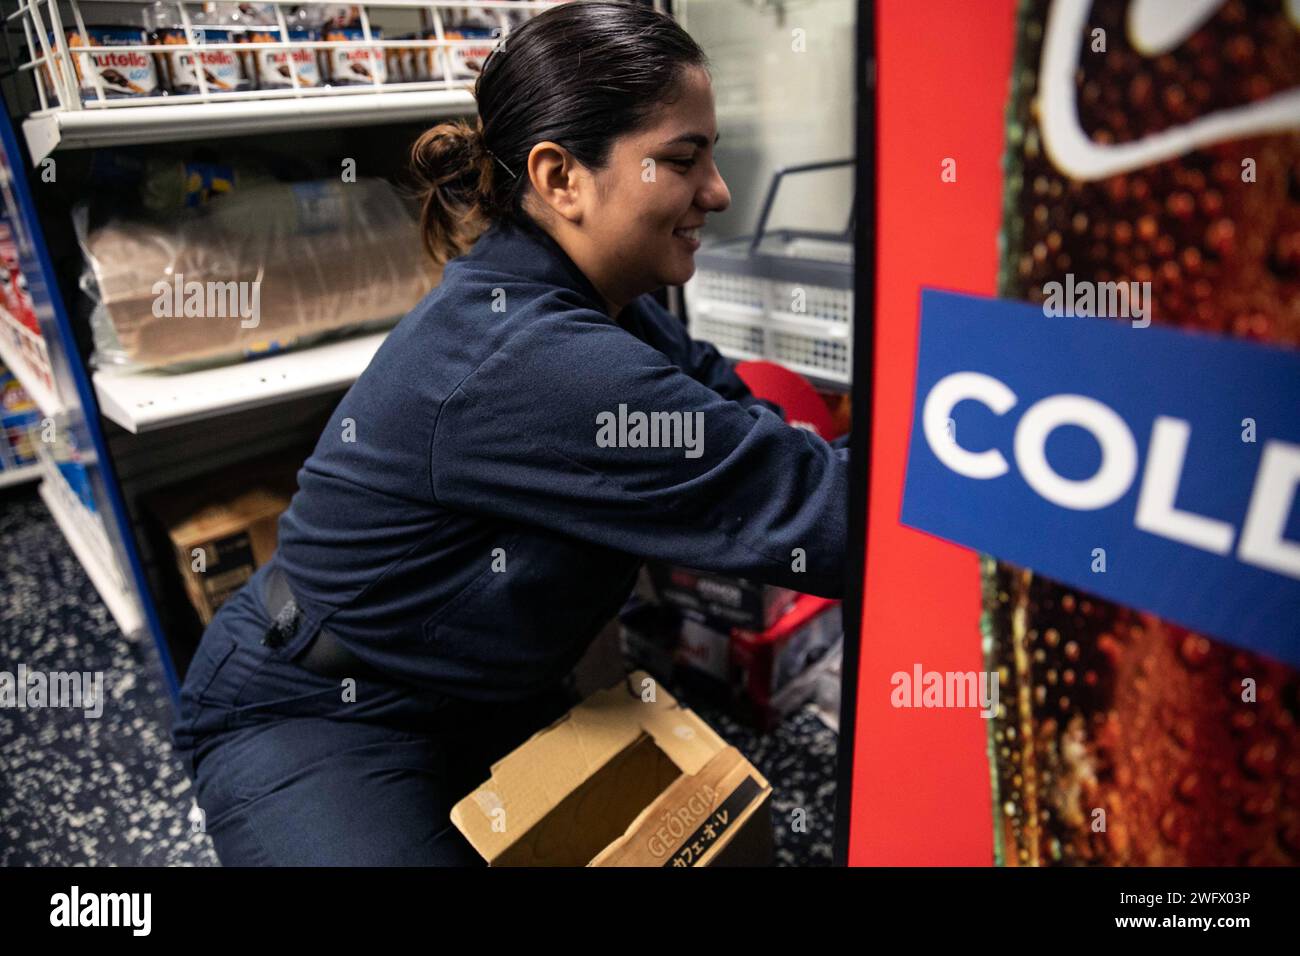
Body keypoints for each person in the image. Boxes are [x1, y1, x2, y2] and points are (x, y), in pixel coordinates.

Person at [171, 0, 849, 866]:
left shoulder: (605, 309)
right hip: (315, 706)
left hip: (487, 690)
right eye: (682, 160)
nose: (716, 192)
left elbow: (726, 405)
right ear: (561, 177)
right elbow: (815, 513)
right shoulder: (531, 358)